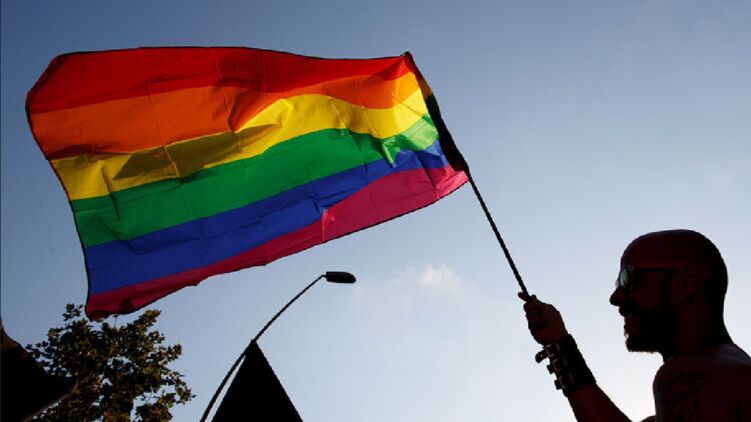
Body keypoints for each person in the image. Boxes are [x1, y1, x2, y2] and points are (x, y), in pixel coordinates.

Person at [520, 229, 751, 421]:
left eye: (629, 278)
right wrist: (559, 342)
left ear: (686, 282)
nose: (615, 298)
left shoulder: (690, 375)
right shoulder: (729, 374)